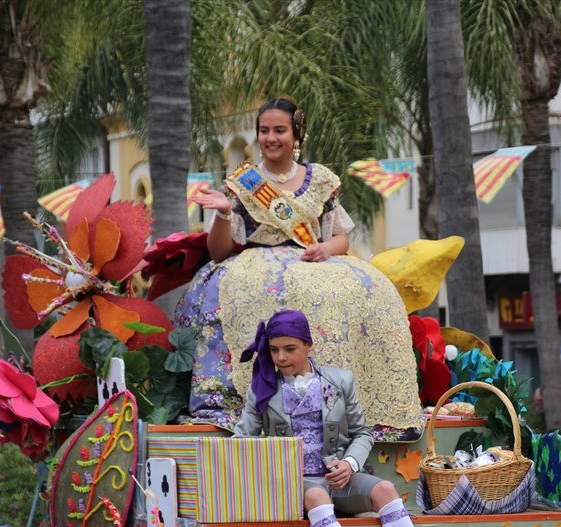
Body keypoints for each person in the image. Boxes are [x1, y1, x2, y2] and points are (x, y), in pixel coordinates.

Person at [177, 97, 420, 434]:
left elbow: (341, 240)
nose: (271, 138)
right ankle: (242, 406)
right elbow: (218, 252)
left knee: (370, 291)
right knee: (226, 293)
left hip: (314, 259)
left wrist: (324, 248)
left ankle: (351, 406)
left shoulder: (319, 180)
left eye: (280, 130)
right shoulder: (244, 182)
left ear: (297, 135)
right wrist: (222, 213)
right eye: (264, 131)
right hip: (253, 264)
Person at [234, 310, 445, 527]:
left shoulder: (339, 381)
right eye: (274, 350)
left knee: (385, 488)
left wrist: (349, 463)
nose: (280, 358)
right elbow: (241, 440)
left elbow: (363, 433)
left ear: (309, 346)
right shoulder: (262, 390)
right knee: (316, 496)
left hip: (339, 479)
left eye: (290, 349)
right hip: (295, 484)